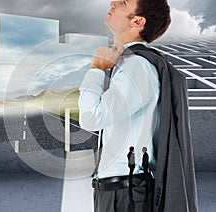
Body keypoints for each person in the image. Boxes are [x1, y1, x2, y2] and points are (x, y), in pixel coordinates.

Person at [78, 0, 197, 211]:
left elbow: (91, 117)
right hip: (123, 191)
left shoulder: (137, 66)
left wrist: (96, 69)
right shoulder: (131, 63)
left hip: (126, 195)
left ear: (137, 21)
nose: (113, 2)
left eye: (123, 2)